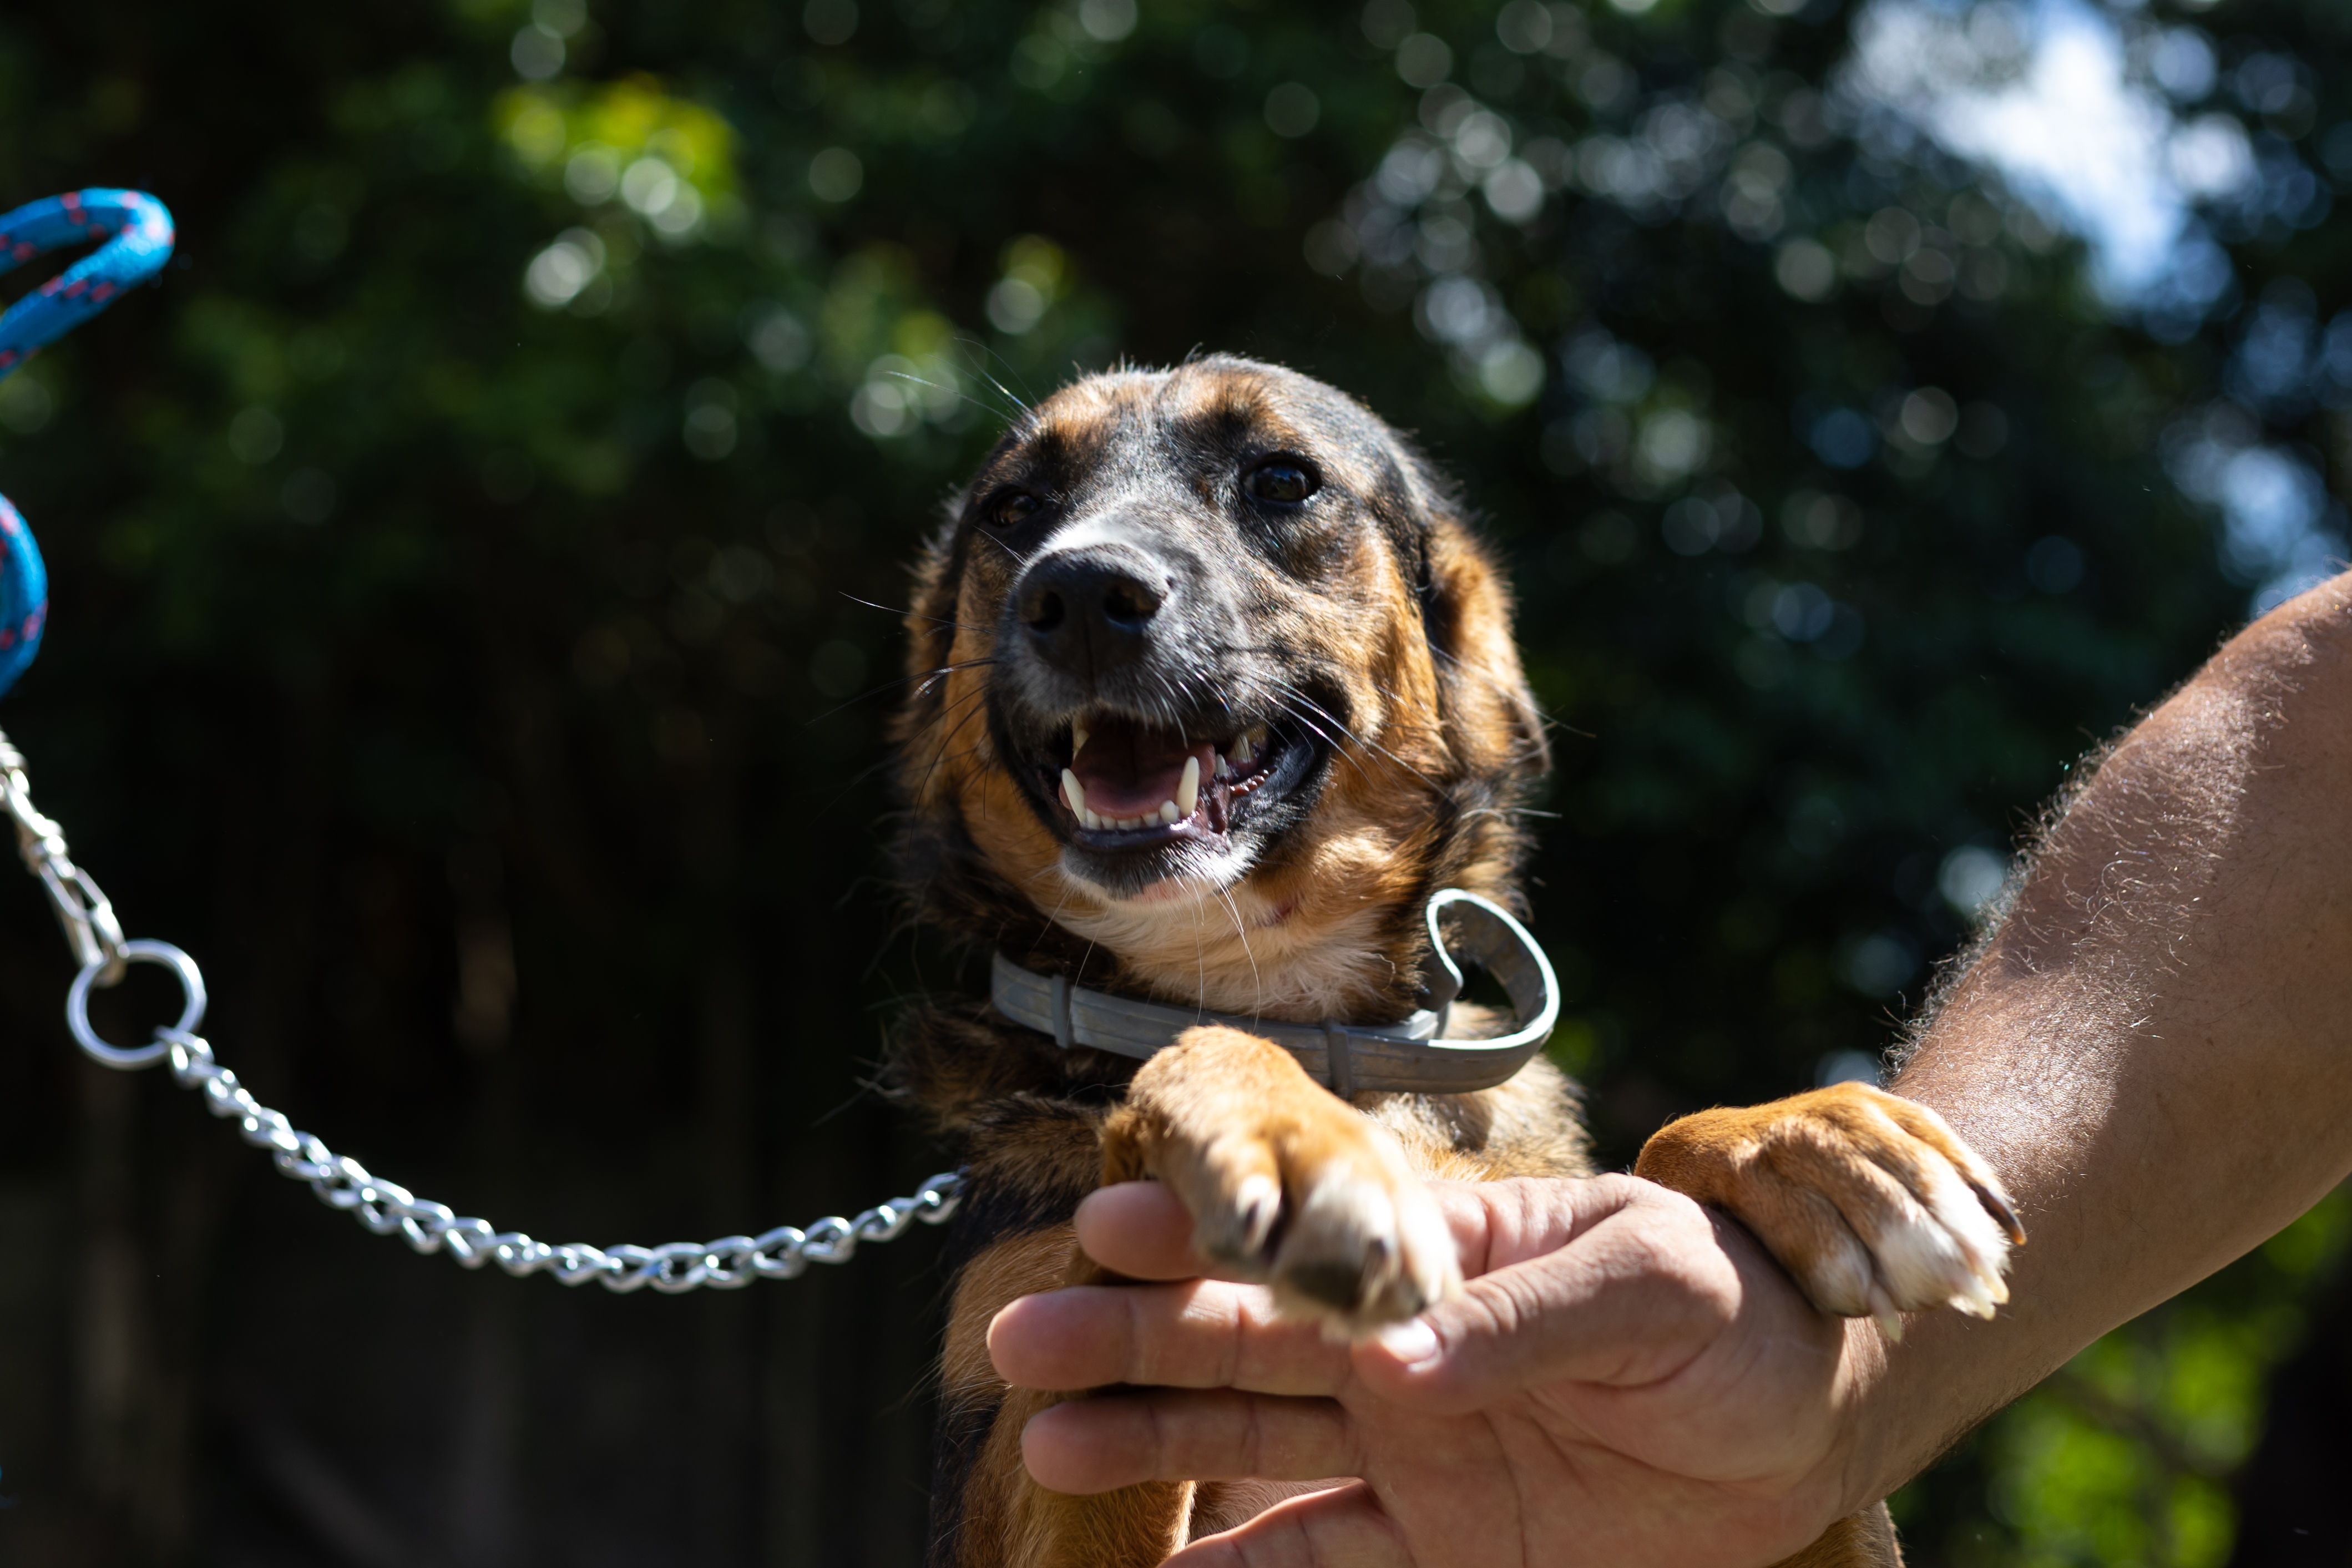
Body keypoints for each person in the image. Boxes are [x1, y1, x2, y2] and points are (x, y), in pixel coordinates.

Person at [984, 573, 2352, 1566]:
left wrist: (1751, 1249)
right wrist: (1199, 1101)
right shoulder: (1011, 1276)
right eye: (1019, 529)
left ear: (1471, 664)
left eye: (1283, 493)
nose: (1087, 567)